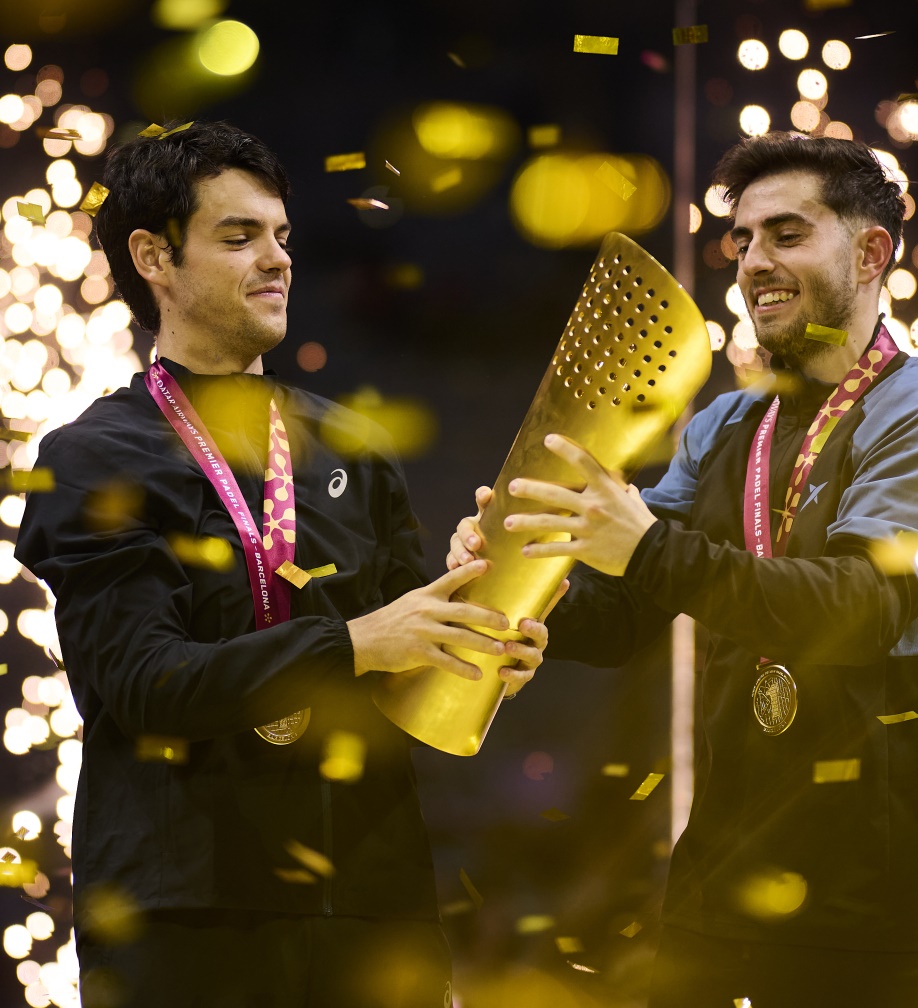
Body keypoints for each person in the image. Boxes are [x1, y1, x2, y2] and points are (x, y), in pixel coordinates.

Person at [449, 132, 918, 1007]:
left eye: (786, 233)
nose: (753, 263)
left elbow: (857, 611)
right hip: (721, 899)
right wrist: (531, 588)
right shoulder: (722, 430)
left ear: (871, 253)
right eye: (742, 240)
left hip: (886, 921)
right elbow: (626, 611)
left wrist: (638, 545)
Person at [15, 120, 551, 1008]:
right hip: (187, 908)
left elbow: (397, 677)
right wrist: (355, 645)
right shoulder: (93, 456)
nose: (277, 259)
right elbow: (145, 684)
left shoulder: (353, 445)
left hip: (372, 902)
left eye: (282, 236)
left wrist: (479, 639)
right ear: (153, 257)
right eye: (239, 238)